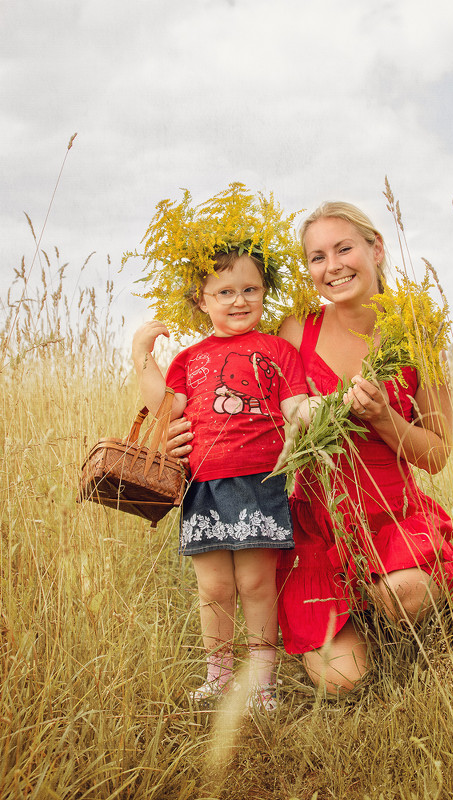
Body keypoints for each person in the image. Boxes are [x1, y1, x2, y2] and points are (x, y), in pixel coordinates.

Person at [168, 201, 453, 695]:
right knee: (341, 681)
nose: (333, 266)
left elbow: (435, 455)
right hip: (312, 522)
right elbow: (235, 396)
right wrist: (185, 435)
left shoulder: (415, 334)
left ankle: (412, 611)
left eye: (344, 248)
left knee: (405, 594)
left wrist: (384, 418)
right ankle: (356, 623)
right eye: (317, 257)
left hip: (389, 515)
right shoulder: (294, 329)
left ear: (376, 249)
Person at [132, 249, 313, 711]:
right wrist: (141, 356)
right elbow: (166, 408)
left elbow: (295, 405)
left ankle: (261, 682)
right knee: (213, 588)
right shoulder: (190, 358)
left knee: (255, 584)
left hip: (261, 481)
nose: (239, 300)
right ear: (202, 299)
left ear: (264, 293)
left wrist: (319, 411)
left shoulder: (277, 350)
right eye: (225, 292)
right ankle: (218, 674)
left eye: (250, 290)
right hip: (204, 485)